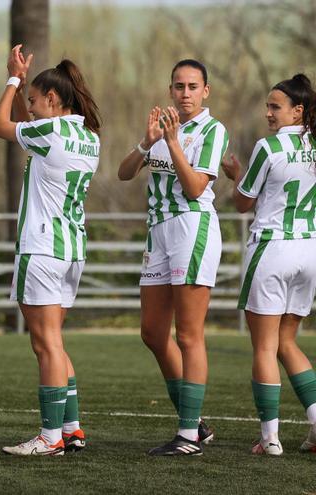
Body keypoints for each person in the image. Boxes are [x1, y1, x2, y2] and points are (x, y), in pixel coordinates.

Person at [0, 46, 100, 456]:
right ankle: (70, 428)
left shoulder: (51, 132)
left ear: (53, 99)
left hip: (42, 248)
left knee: (46, 344)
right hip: (71, 249)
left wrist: (13, 79)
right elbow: (29, 125)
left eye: (35, 102)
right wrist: (26, 87)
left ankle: (50, 436)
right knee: (54, 341)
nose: (30, 109)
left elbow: (0, 125)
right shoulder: (88, 136)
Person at [117, 59, 229, 456]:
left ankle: (186, 436)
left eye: (193, 86)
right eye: (179, 86)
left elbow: (197, 187)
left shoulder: (213, 130)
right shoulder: (162, 127)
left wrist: (175, 144)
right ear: (170, 90)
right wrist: (147, 143)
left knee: (188, 334)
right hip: (158, 231)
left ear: (206, 92)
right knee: (151, 332)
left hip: (191, 227)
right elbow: (124, 173)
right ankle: (195, 422)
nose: (185, 93)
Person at [221, 74, 316, 456]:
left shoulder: (268, 146)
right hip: (309, 251)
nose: (268, 113)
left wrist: (235, 178)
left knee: (264, 346)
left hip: (272, 249)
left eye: (275, 106)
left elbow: (244, 202)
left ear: (298, 111)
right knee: (287, 342)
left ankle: (270, 438)